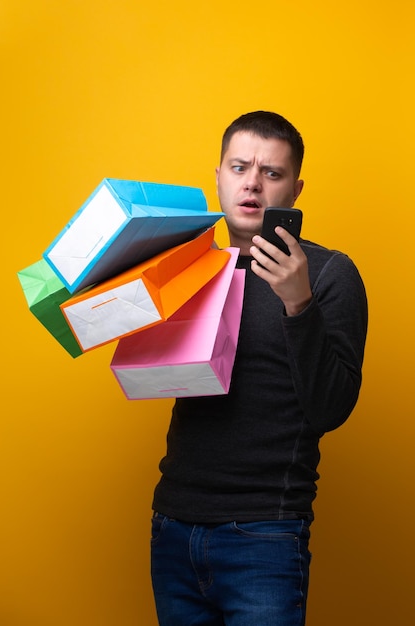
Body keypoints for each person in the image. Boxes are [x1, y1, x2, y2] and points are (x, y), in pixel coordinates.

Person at [150, 111, 368, 626]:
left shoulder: (330, 274)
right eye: (239, 167)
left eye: (271, 173)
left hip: (265, 534)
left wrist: (299, 304)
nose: (252, 183)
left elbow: (331, 409)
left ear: (295, 188)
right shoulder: (189, 266)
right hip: (173, 524)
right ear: (219, 175)